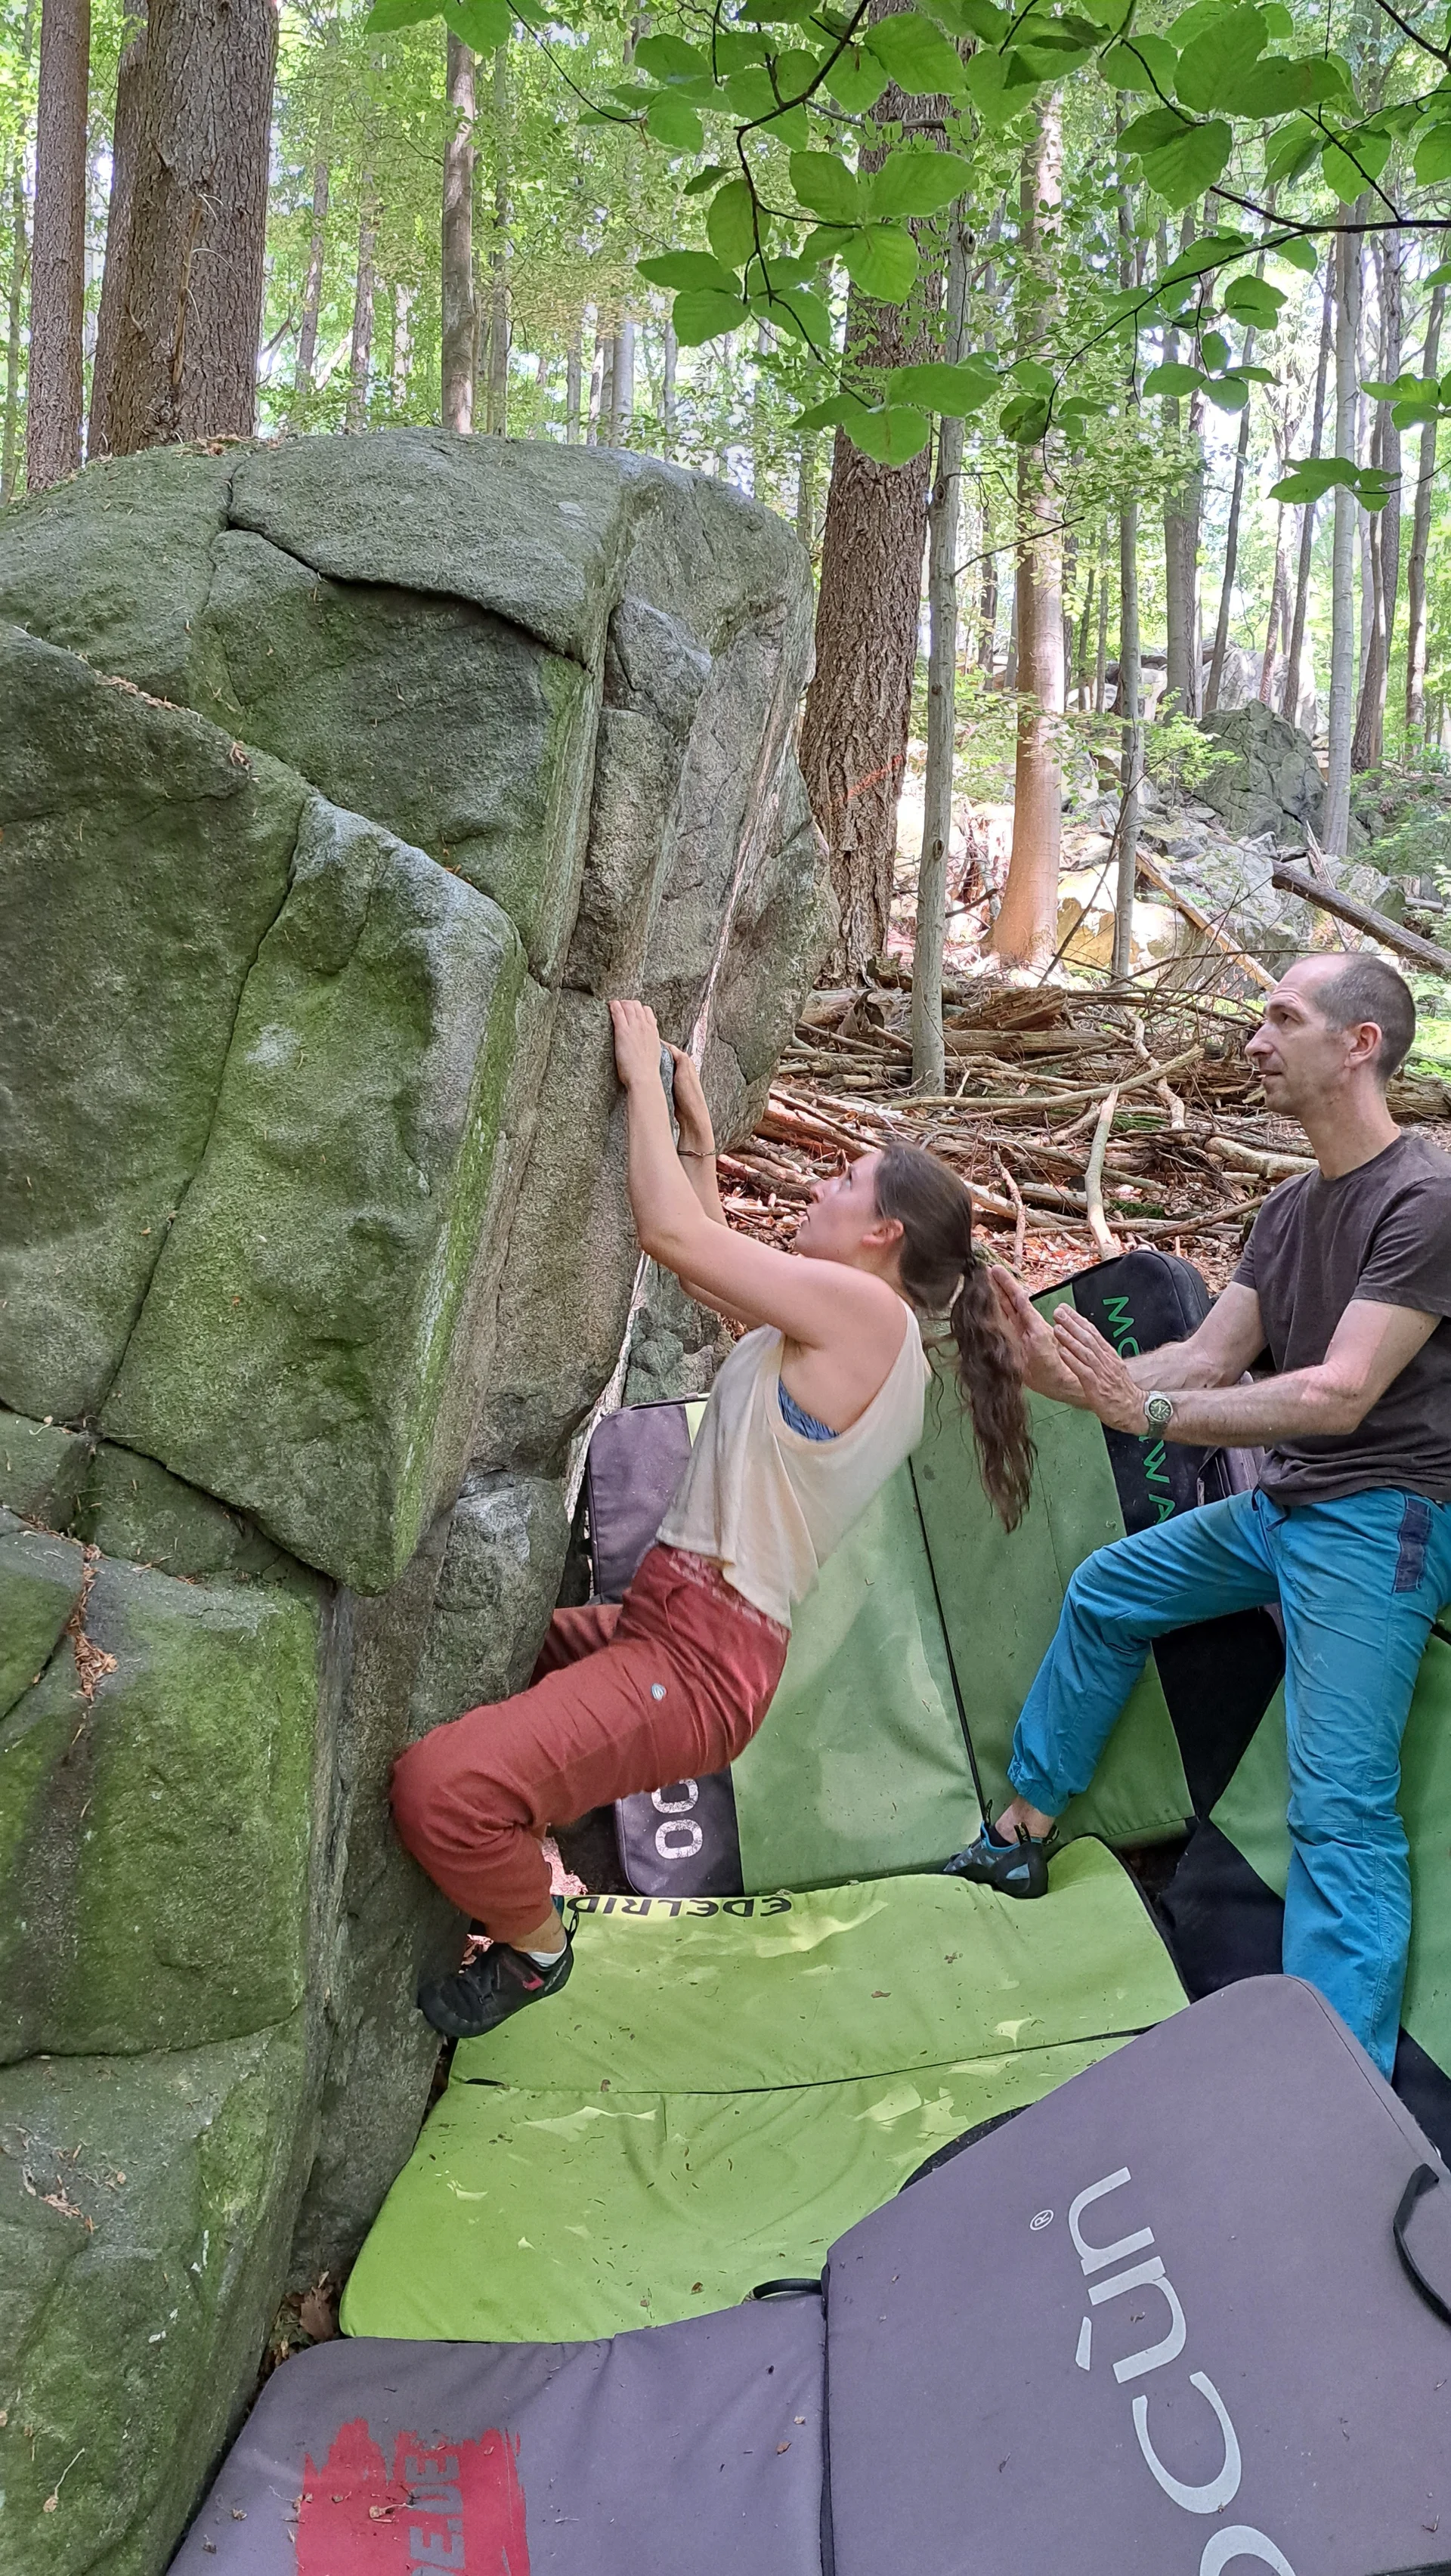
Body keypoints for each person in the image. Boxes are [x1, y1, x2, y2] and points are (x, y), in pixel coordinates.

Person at [391, 995, 1034, 2039]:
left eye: (840, 1181)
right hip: (675, 1635)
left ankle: (536, 1946)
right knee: (499, 1660)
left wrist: (641, 1075)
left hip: (694, 1661)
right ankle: (534, 1843)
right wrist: (695, 1132)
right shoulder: (868, 1340)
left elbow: (674, 1238)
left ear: (883, 1233)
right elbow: (724, 1282)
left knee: (439, 1788)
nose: (820, 1191)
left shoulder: (869, 1318)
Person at [948, 953, 1451, 2080]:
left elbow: (1342, 1392)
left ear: (1360, 1043)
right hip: (1289, 1507)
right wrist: (1066, 1380)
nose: (1255, 1040)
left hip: (1384, 1522)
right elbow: (1209, 1356)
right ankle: (1022, 1837)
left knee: (1339, 1815)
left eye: (1282, 1018)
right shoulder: (1290, 1207)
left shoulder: (1427, 1200)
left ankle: (1336, 2100)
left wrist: (1152, 1406)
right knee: (1109, 1591)